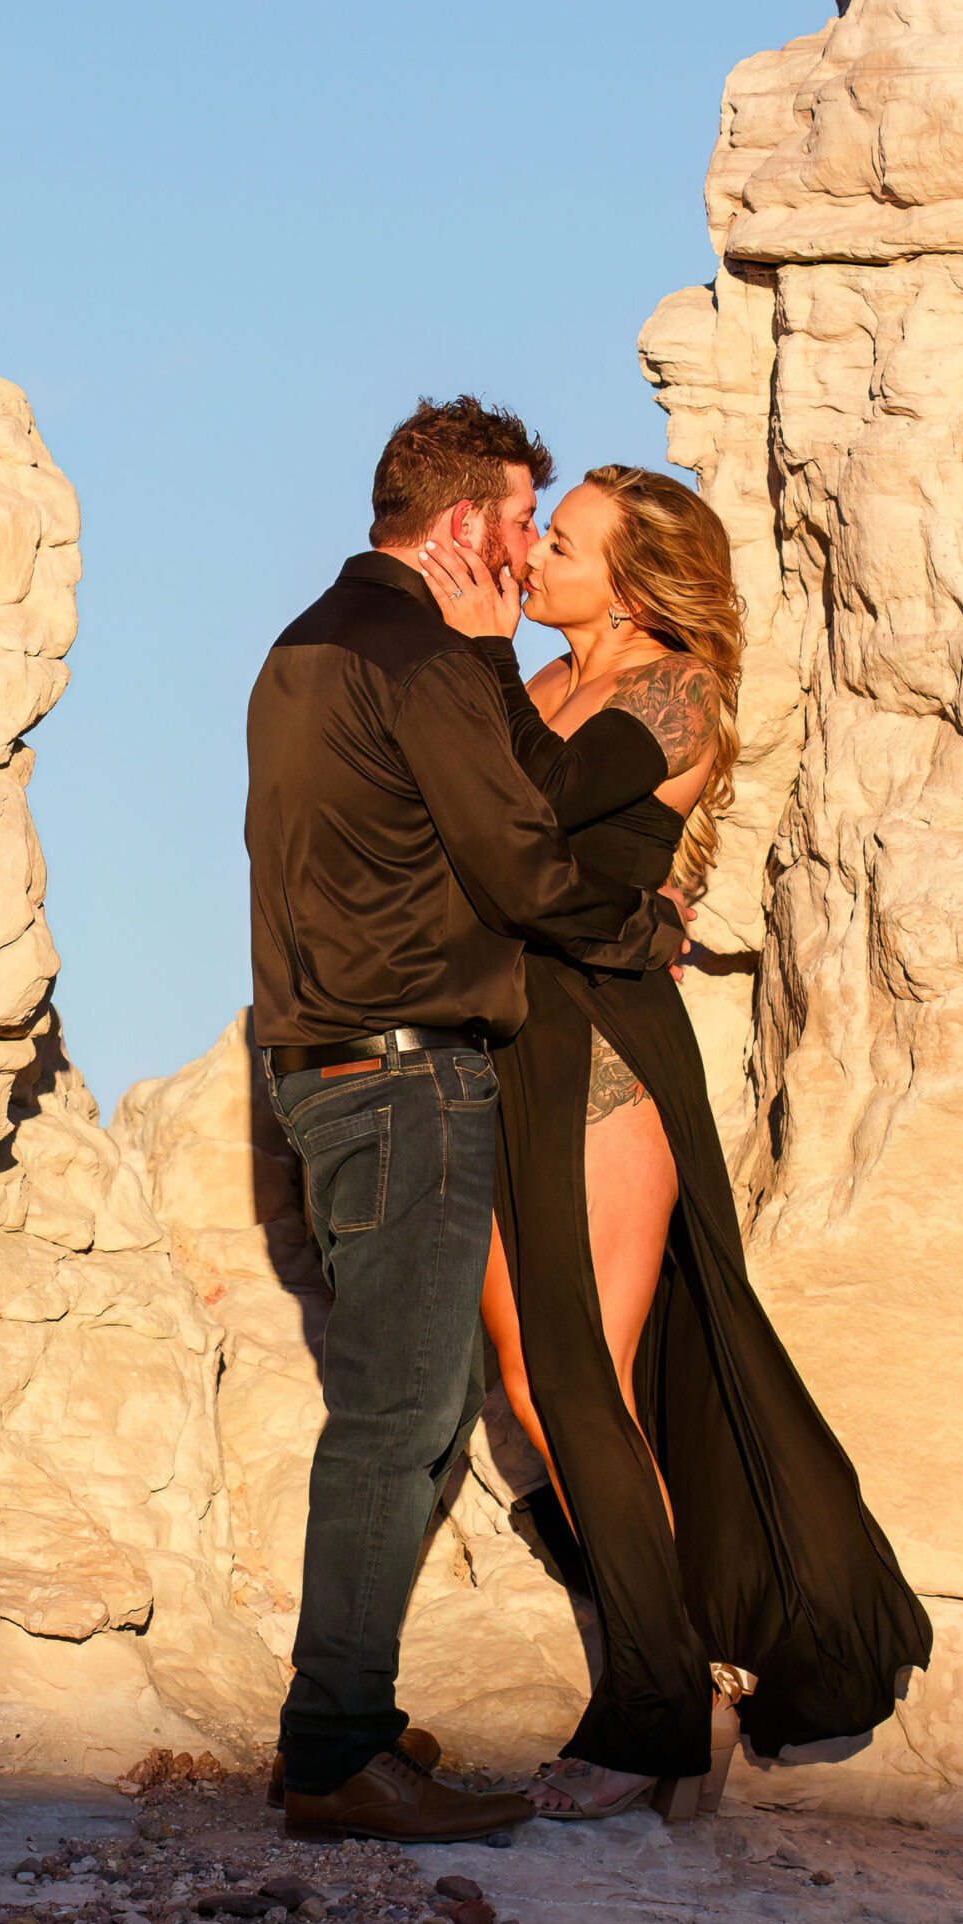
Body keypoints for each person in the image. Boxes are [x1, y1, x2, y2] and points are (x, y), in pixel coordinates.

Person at [415, 464, 933, 1822]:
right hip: (504, 1043)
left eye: (562, 545)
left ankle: (652, 1716)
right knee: (533, 1384)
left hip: (602, 1054)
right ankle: (670, 1679)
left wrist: (472, 659)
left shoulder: (676, 691)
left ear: (635, 582)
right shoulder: (535, 690)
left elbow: (530, 815)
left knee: (582, 1377)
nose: (533, 563)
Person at [247, 400, 687, 1842]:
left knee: (415, 1410)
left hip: (318, 1064)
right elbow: (519, 863)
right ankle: (333, 1755)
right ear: (460, 529)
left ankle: (353, 1717)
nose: (526, 553)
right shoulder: (432, 657)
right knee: (401, 1417)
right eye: (519, 524)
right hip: (410, 1073)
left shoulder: (305, 642)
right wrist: (635, 923)